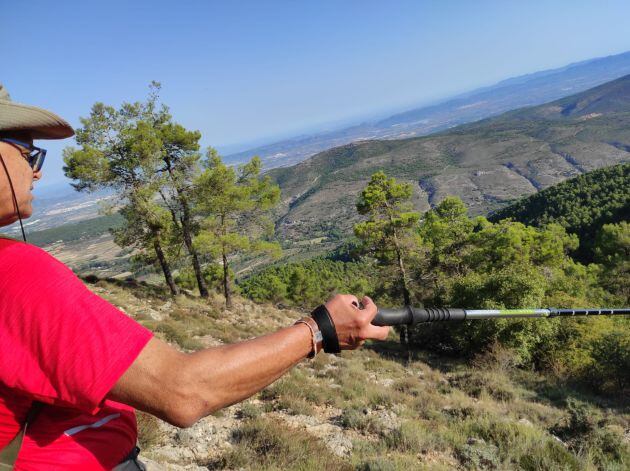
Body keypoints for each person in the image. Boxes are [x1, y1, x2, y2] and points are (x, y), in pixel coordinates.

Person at [0, 83, 390, 470]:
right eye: (30, 154)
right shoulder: (15, 272)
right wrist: (320, 328)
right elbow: (183, 393)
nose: (36, 174)